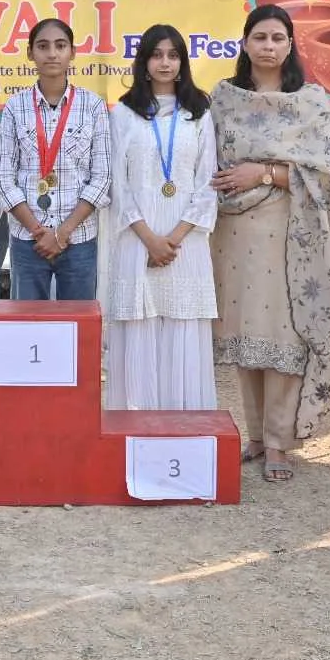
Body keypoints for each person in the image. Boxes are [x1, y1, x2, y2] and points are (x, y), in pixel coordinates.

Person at [209, 5, 330, 483]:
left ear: (290, 45)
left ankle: (278, 442)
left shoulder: (310, 102)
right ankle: (256, 436)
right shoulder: (223, 99)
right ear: (244, 43)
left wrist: (265, 173)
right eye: (260, 37)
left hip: (293, 233)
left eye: (277, 38)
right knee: (245, 337)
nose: (268, 46)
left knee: (284, 336)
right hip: (233, 233)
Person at [105, 24, 219, 411]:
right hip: (136, 239)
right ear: (144, 61)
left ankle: (185, 427)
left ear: (183, 62)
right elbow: (118, 184)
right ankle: (137, 426)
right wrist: (150, 240)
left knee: (183, 327)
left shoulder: (199, 113)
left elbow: (208, 182)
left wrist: (173, 239)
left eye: (173, 55)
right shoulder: (124, 113)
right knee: (140, 327)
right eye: (156, 55)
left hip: (185, 243)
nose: (165, 63)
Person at [0, 18, 111, 300]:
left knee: (78, 321)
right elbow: (4, 180)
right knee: (29, 321)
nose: (52, 54)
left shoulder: (92, 106)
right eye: (43, 46)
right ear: (30, 53)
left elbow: (102, 178)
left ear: (72, 52)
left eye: (60, 46)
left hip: (79, 238)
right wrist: (39, 231)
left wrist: (62, 233)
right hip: (28, 240)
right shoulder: (15, 107)